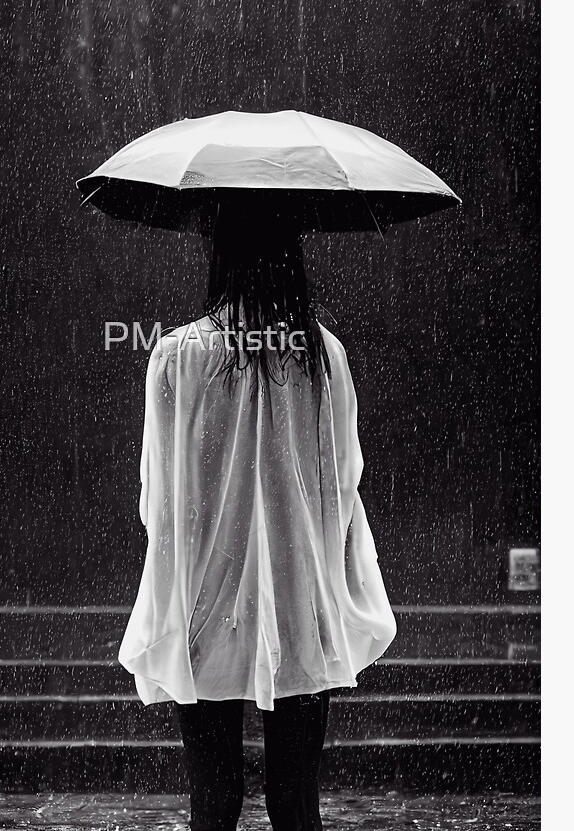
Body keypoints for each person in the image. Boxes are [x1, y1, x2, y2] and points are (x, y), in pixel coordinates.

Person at [118, 200, 397, 831]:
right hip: (299, 598)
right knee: (296, 800)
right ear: (291, 253)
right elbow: (341, 483)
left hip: (203, 597)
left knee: (213, 803)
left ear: (220, 255)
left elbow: (157, 500)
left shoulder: (176, 354)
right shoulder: (321, 355)